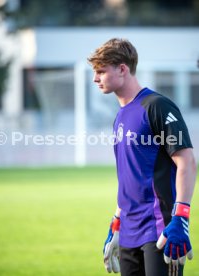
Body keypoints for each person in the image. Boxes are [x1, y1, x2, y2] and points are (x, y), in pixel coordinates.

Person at [87, 38, 197, 276]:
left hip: (160, 230)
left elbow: (186, 161)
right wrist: (117, 221)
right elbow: (130, 176)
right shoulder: (120, 117)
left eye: (101, 71)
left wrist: (181, 218)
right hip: (128, 232)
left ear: (122, 69)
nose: (96, 78)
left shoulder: (157, 106)